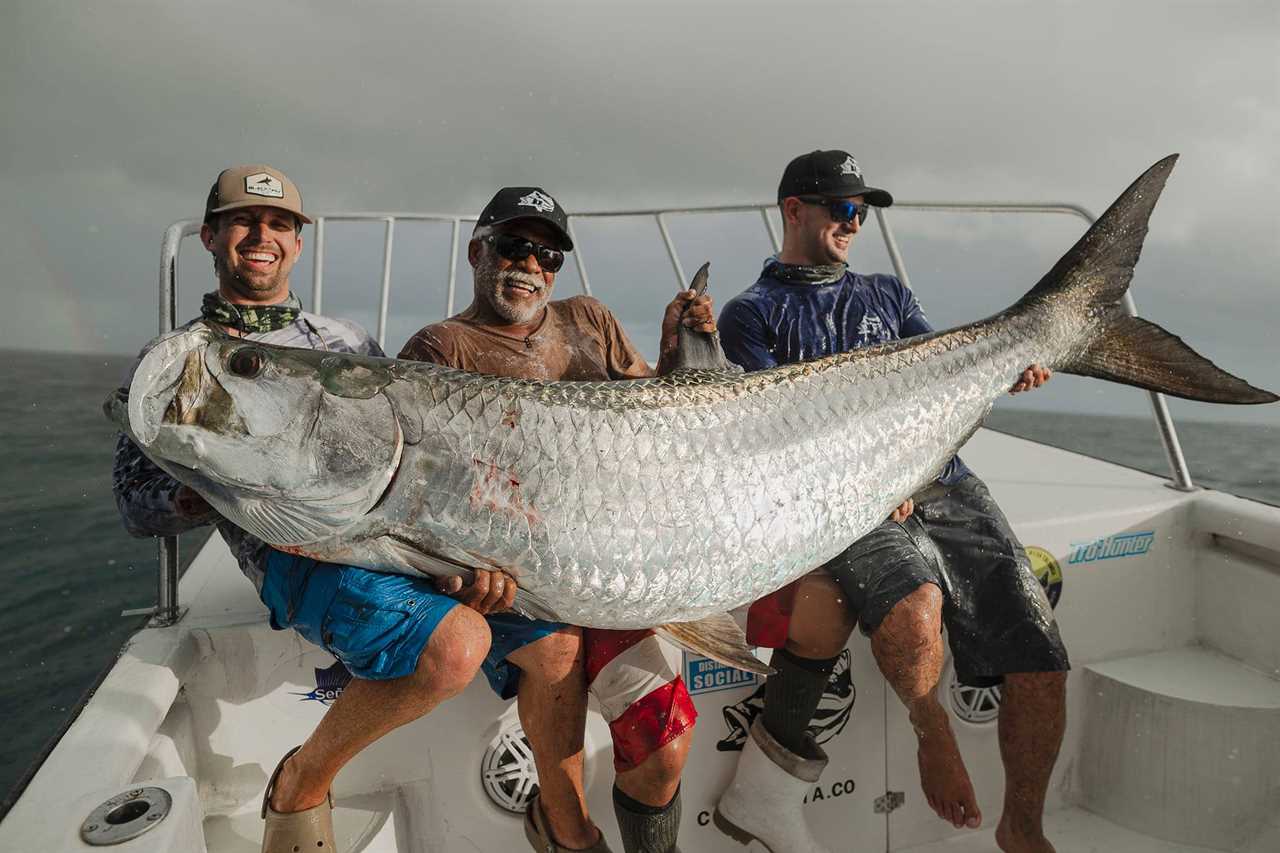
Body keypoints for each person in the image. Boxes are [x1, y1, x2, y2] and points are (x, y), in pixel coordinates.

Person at [111, 167, 602, 853]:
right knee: (457, 645)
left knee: (557, 644)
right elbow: (136, 504)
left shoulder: (346, 344)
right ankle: (301, 782)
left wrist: (463, 556)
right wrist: (207, 484)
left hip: (398, 537)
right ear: (211, 236)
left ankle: (566, 827)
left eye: (279, 224)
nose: (262, 236)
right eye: (244, 221)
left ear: (298, 243)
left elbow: (426, 463)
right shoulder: (188, 364)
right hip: (301, 553)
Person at [713, 150, 1068, 853]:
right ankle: (932, 731)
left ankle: (1023, 826)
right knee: (915, 606)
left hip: (941, 478)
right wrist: (877, 482)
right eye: (843, 208)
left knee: (1038, 646)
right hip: (844, 496)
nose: (855, 222)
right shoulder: (749, 315)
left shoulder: (889, 295)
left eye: (862, 211)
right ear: (794, 210)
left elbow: (941, 384)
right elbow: (772, 440)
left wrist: (1001, 376)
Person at [399, 186, 712, 853]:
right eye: (514, 246)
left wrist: (679, 352)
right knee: (556, 648)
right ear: (477, 250)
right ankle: (569, 832)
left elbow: (659, 425)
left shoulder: (589, 320)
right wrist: (460, 568)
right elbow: (422, 494)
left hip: (614, 563)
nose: (531, 265)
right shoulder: (438, 348)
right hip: (523, 582)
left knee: (665, 750)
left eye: (547, 254)